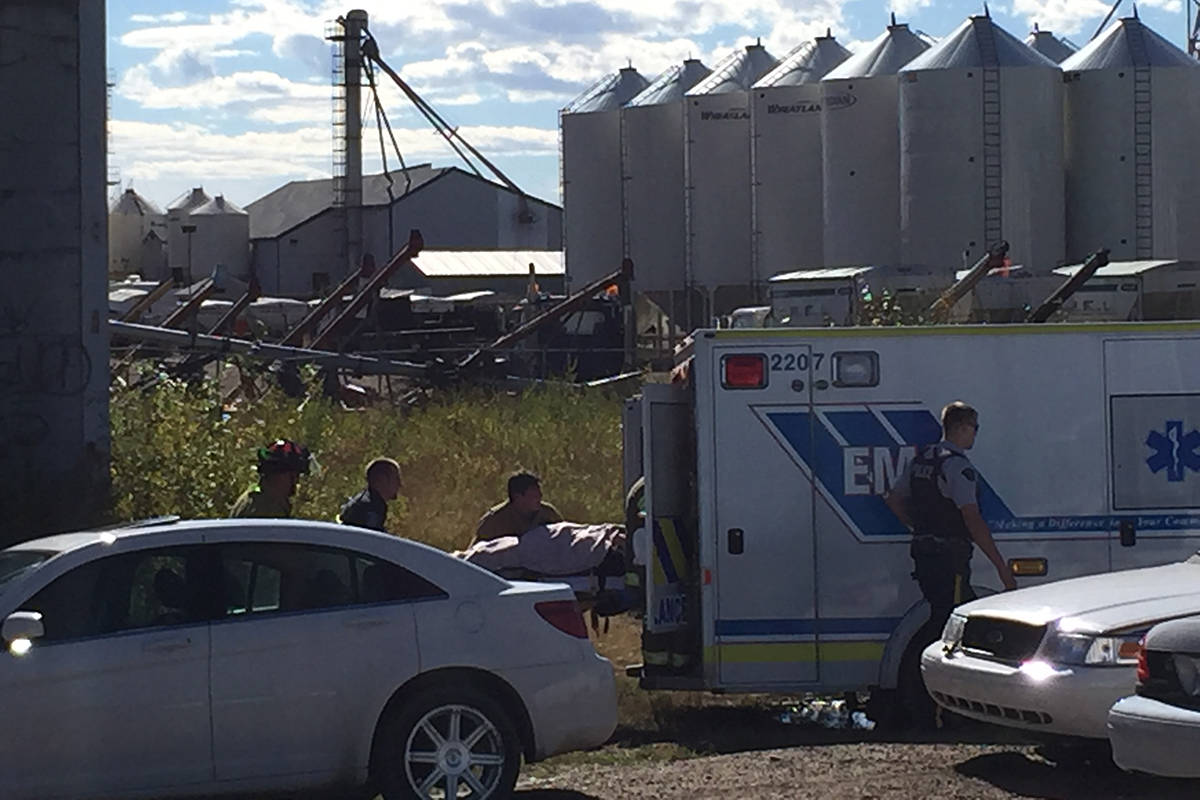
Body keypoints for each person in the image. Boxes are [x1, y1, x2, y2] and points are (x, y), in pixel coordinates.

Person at [885, 402, 1017, 657]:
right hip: (949, 558)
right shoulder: (956, 466)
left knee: (943, 613)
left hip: (924, 553)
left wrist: (920, 526)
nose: (975, 434)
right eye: (974, 428)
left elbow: (893, 499)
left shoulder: (921, 461)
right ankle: (938, 674)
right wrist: (1002, 568)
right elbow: (972, 518)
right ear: (961, 427)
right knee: (952, 620)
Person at [474, 470, 563, 543]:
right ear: (517, 497)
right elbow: (475, 554)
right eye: (534, 495)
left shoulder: (549, 514)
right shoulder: (494, 522)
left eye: (539, 493)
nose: (540, 497)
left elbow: (564, 541)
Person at [230, 439, 311, 519]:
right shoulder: (271, 507)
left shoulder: (250, 496)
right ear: (281, 475)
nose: (296, 482)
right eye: (294, 475)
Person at [339, 458, 402, 532]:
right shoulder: (370, 508)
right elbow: (372, 540)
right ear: (382, 479)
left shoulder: (368, 503)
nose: (400, 484)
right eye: (396, 479)